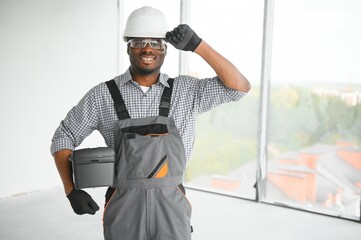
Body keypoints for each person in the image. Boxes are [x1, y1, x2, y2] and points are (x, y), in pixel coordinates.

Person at [51, 6, 250, 240]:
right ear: (128, 47)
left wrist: (198, 45)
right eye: (139, 41)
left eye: (155, 42)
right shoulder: (102, 95)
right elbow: (63, 136)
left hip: (171, 205)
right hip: (123, 204)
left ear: (166, 49)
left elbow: (239, 88)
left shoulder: (187, 91)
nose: (147, 48)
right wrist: (71, 189)